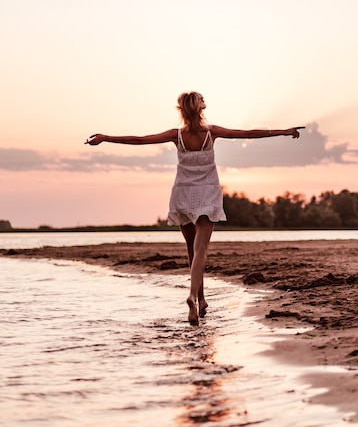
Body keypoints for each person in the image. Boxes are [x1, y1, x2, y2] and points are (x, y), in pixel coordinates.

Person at [85, 91, 304, 326]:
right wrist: (283, 131)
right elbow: (248, 133)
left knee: (191, 249)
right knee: (201, 250)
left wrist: (106, 137)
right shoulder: (211, 132)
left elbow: (140, 140)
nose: (203, 100)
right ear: (199, 107)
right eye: (201, 98)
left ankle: (201, 298)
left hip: (182, 193)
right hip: (207, 193)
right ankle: (192, 296)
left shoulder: (176, 135)